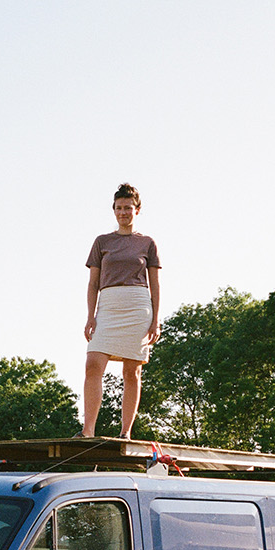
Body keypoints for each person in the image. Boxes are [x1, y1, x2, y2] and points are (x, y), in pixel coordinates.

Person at [81, 182, 161, 439]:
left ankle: (126, 432)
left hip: (138, 305)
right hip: (109, 304)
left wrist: (155, 320)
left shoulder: (147, 243)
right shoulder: (102, 242)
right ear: (113, 210)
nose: (123, 212)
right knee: (93, 364)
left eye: (128, 207)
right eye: (118, 208)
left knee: (132, 371)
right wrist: (90, 316)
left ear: (137, 210)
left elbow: (155, 284)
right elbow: (93, 283)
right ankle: (88, 430)